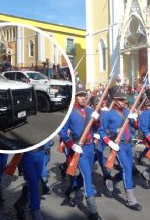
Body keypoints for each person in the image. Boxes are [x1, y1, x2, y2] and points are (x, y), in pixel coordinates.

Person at [59, 82, 101, 220]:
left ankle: (70, 190)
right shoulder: (70, 112)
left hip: (90, 148)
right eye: (80, 95)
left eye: (84, 95)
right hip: (79, 148)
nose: (83, 97)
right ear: (74, 97)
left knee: (84, 176)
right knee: (88, 178)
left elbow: (95, 127)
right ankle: (93, 211)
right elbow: (63, 132)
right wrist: (71, 145)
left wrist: (97, 119)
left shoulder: (89, 110)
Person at [98, 86, 142, 211]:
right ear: (115, 100)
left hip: (128, 145)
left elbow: (136, 126)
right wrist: (109, 143)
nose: (124, 102)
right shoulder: (108, 115)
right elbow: (101, 131)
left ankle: (112, 180)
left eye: (124, 100)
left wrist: (135, 118)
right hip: (118, 146)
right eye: (122, 100)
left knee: (126, 169)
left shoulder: (127, 112)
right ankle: (130, 200)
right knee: (127, 169)